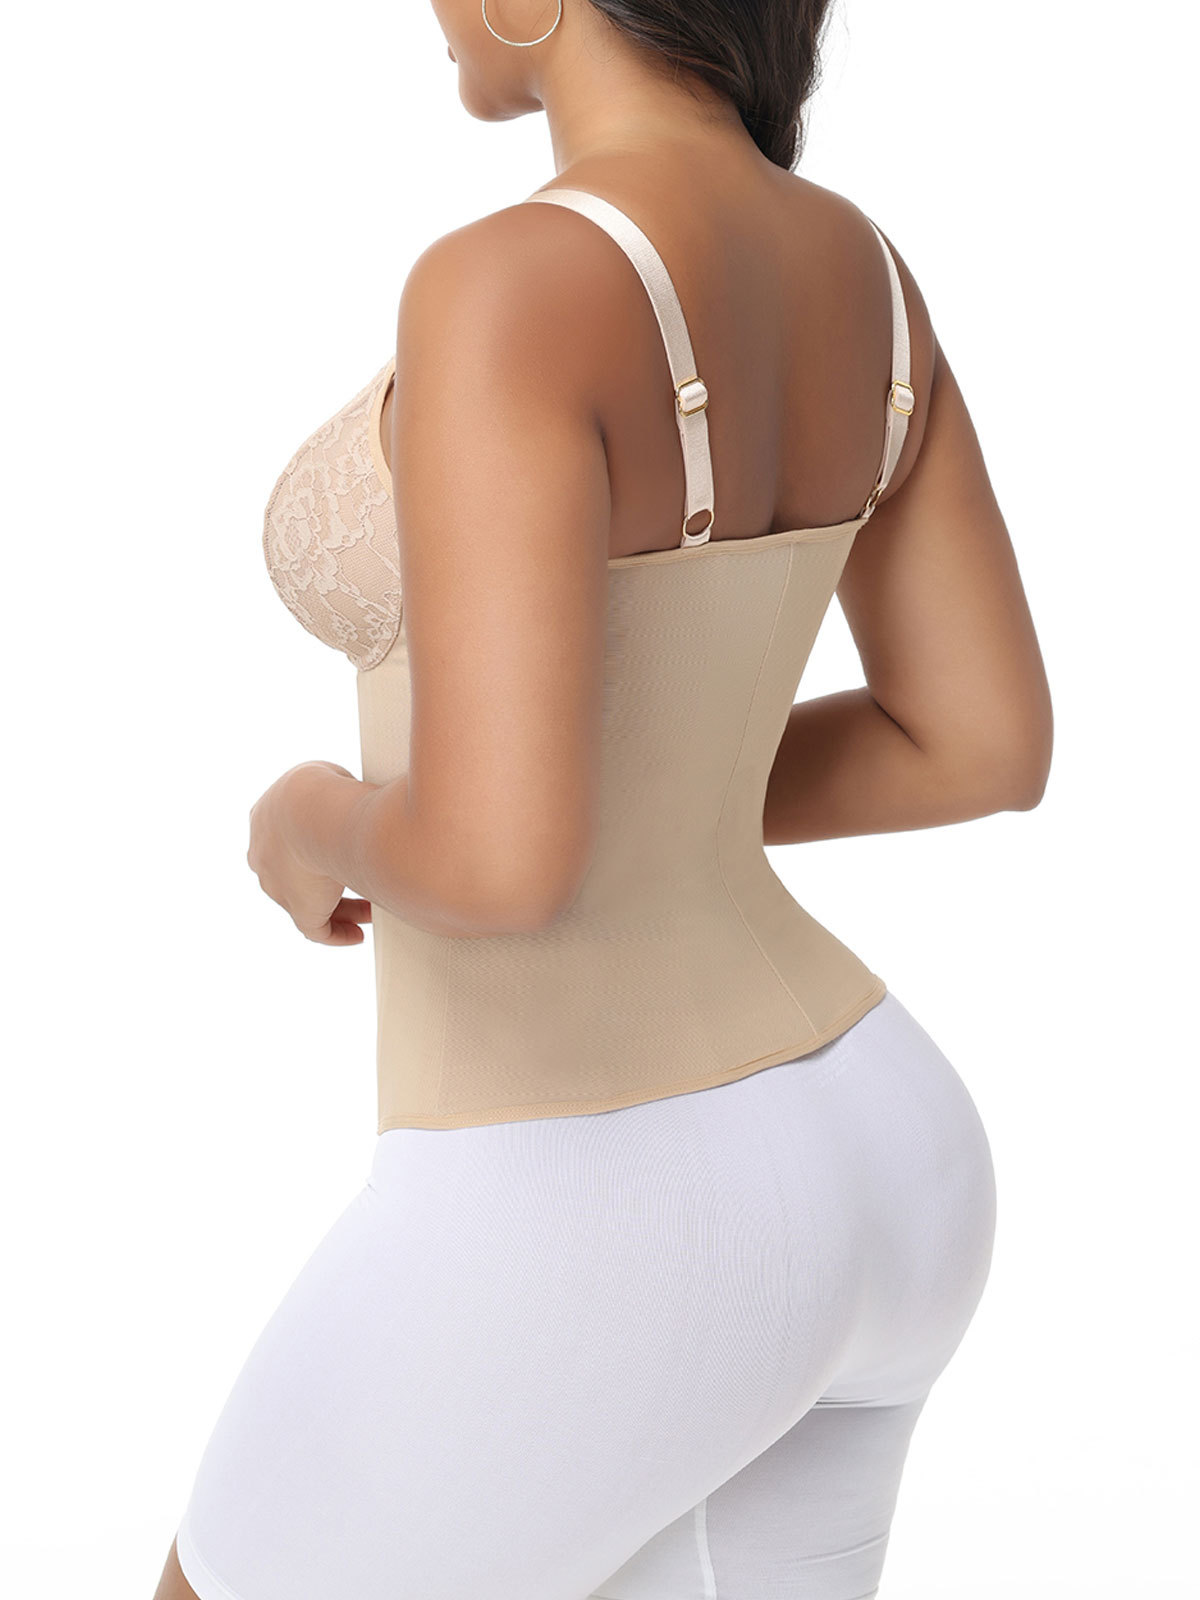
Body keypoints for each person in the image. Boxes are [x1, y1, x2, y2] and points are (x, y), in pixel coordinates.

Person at [154, 3, 1052, 1597]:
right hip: (886, 1145)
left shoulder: (509, 285)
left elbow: (500, 859)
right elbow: (976, 742)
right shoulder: (869, 276)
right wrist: (649, 796)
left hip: (592, 1189)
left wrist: (318, 820)